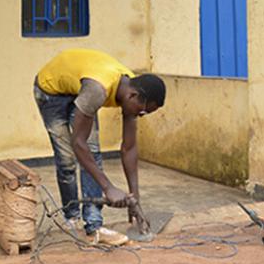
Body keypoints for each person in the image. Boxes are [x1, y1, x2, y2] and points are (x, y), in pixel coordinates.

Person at [34, 48, 166, 246]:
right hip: (50, 92)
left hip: (80, 88)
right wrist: (108, 187)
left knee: (93, 152)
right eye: (142, 111)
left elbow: (129, 148)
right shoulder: (98, 90)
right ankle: (72, 217)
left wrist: (134, 198)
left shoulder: (132, 89)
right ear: (132, 96)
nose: (140, 115)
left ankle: (94, 226)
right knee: (67, 159)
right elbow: (78, 143)